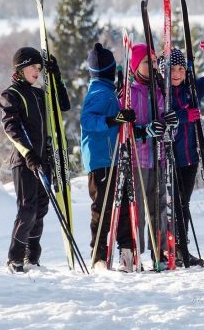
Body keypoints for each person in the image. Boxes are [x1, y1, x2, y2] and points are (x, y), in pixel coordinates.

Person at [0, 46, 70, 273]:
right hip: (24, 161)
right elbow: (11, 127)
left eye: (39, 68)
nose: (37, 71)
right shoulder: (10, 95)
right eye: (32, 67)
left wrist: (55, 76)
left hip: (44, 160)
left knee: (40, 209)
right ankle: (15, 257)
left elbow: (63, 105)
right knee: (27, 209)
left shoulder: (40, 94)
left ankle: (32, 257)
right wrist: (28, 154)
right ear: (20, 69)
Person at [80, 43, 138, 271]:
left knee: (122, 205)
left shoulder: (106, 91)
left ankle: (126, 251)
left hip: (115, 158)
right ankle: (98, 256)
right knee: (103, 209)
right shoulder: (98, 93)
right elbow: (87, 120)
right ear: (109, 71)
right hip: (102, 161)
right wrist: (113, 121)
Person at [160, 46, 204, 267]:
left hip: (190, 158)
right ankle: (167, 250)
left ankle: (182, 250)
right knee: (171, 205)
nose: (177, 73)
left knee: (183, 204)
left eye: (181, 69)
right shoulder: (160, 92)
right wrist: (185, 115)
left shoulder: (191, 90)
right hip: (168, 157)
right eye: (172, 69)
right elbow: (164, 116)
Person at [129, 43, 178, 269]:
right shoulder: (129, 93)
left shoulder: (161, 92)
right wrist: (143, 130)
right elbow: (123, 130)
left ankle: (161, 252)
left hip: (158, 158)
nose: (154, 66)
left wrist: (171, 125)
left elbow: (169, 130)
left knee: (159, 206)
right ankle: (133, 253)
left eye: (155, 61)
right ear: (136, 65)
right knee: (138, 206)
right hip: (137, 160)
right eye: (148, 62)